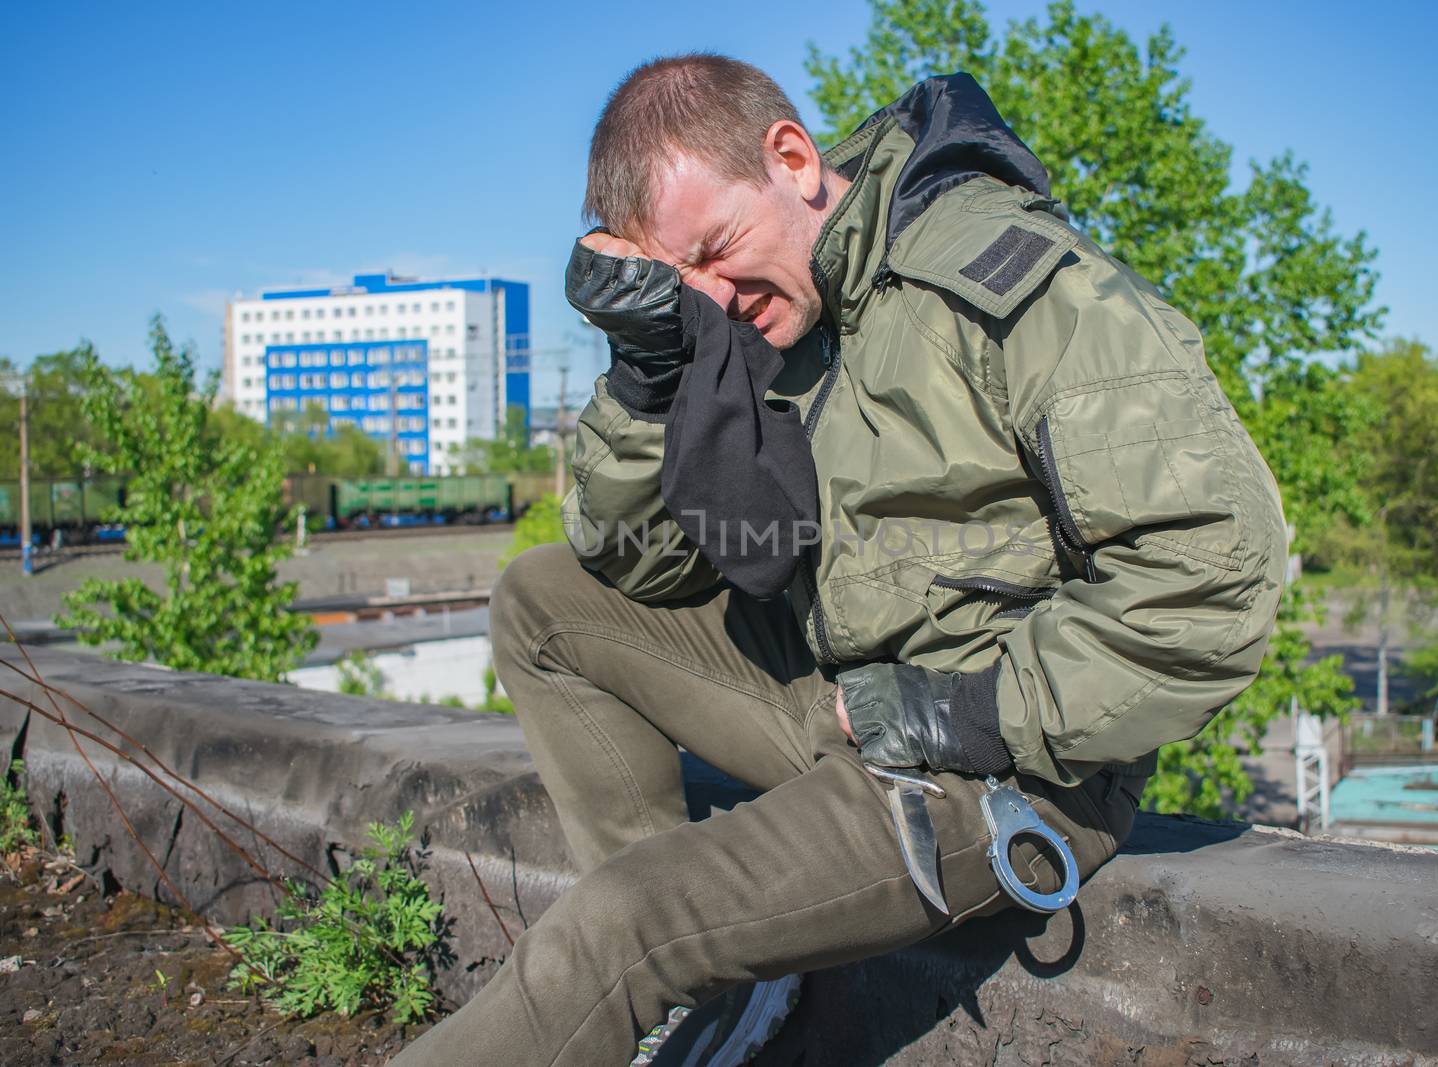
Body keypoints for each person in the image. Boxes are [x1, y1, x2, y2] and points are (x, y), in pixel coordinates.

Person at [394, 54, 1286, 1066]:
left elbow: (1213, 579)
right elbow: (633, 561)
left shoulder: (1004, 279)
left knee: (614, 926)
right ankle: (711, 977)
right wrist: (647, 372)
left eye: (718, 250)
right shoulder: (769, 308)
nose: (715, 300)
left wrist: (965, 710)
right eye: (682, 282)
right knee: (541, 600)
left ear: (791, 156)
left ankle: (660, 949)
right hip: (843, 691)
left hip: (1003, 763)